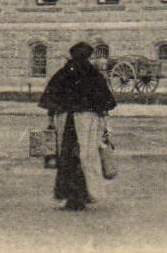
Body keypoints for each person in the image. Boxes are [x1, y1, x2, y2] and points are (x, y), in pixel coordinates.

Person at [38, 41, 117, 211]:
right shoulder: (93, 73)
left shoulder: (64, 72)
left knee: (66, 156)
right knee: (86, 156)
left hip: (66, 120)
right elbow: (105, 102)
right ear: (88, 55)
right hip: (87, 120)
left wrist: (51, 117)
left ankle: (68, 196)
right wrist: (103, 120)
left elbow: (51, 97)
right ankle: (85, 195)